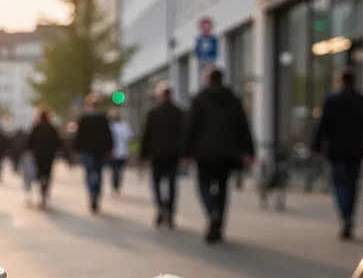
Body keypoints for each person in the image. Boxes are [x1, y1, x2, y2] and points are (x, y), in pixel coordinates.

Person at [183, 66, 255, 244]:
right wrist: (249, 151)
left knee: (204, 185)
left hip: (204, 154)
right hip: (228, 154)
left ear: (207, 80)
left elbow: (190, 128)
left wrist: (186, 152)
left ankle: (212, 212)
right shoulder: (233, 100)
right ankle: (219, 223)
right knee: (222, 188)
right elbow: (243, 127)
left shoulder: (199, 100)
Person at [312, 68, 363, 241]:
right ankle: (349, 216)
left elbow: (322, 125)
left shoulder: (332, 100)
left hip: (337, 151)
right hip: (356, 150)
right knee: (352, 185)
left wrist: (316, 146)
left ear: (340, 81)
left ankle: (345, 216)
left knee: (340, 184)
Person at [139, 81, 184, 228]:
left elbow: (146, 135)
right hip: (173, 155)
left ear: (159, 96)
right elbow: (184, 135)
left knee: (156, 182)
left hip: (156, 155)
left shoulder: (153, 113)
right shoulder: (179, 112)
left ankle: (160, 205)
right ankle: (170, 210)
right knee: (171, 183)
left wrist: (143, 154)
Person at [75, 94, 114, 214]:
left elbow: (79, 136)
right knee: (98, 173)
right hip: (100, 151)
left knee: (89, 173)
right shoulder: (103, 118)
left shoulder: (85, 118)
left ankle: (92, 192)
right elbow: (108, 136)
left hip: (88, 151)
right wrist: (109, 149)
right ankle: (96, 193)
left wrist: (77, 150)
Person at [27, 105, 64, 209]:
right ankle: (45, 189)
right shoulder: (52, 128)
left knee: (39, 173)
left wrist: (30, 151)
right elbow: (59, 142)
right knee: (47, 173)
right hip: (49, 155)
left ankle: (41, 189)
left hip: (38, 155)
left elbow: (30, 142)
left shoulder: (36, 127)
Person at [108, 109, 133, 195]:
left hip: (121, 152)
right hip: (116, 152)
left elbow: (129, 137)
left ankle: (116, 185)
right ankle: (115, 185)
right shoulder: (114, 126)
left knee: (118, 170)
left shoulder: (123, 126)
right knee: (116, 170)